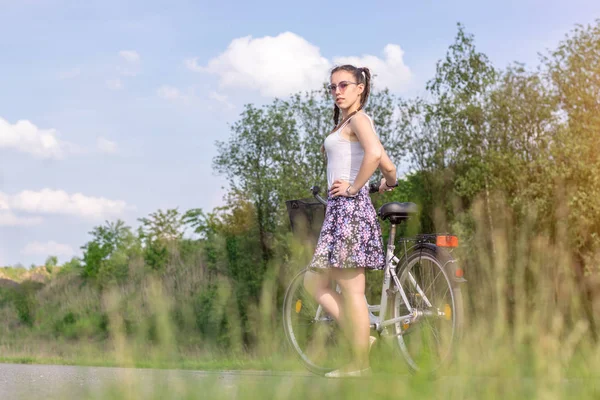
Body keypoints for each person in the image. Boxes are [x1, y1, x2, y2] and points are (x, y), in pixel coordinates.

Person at [304, 64, 398, 378]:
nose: (337, 92)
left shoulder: (359, 118)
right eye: (332, 87)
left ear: (360, 88)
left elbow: (372, 153)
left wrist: (354, 187)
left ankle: (360, 363)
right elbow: (387, 163)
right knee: (315, 282)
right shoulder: (351, 122)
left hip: (348, 209)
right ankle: (364, 339)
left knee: (350, 289)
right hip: (343, 209)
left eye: (344, 85)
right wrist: (387, 181)